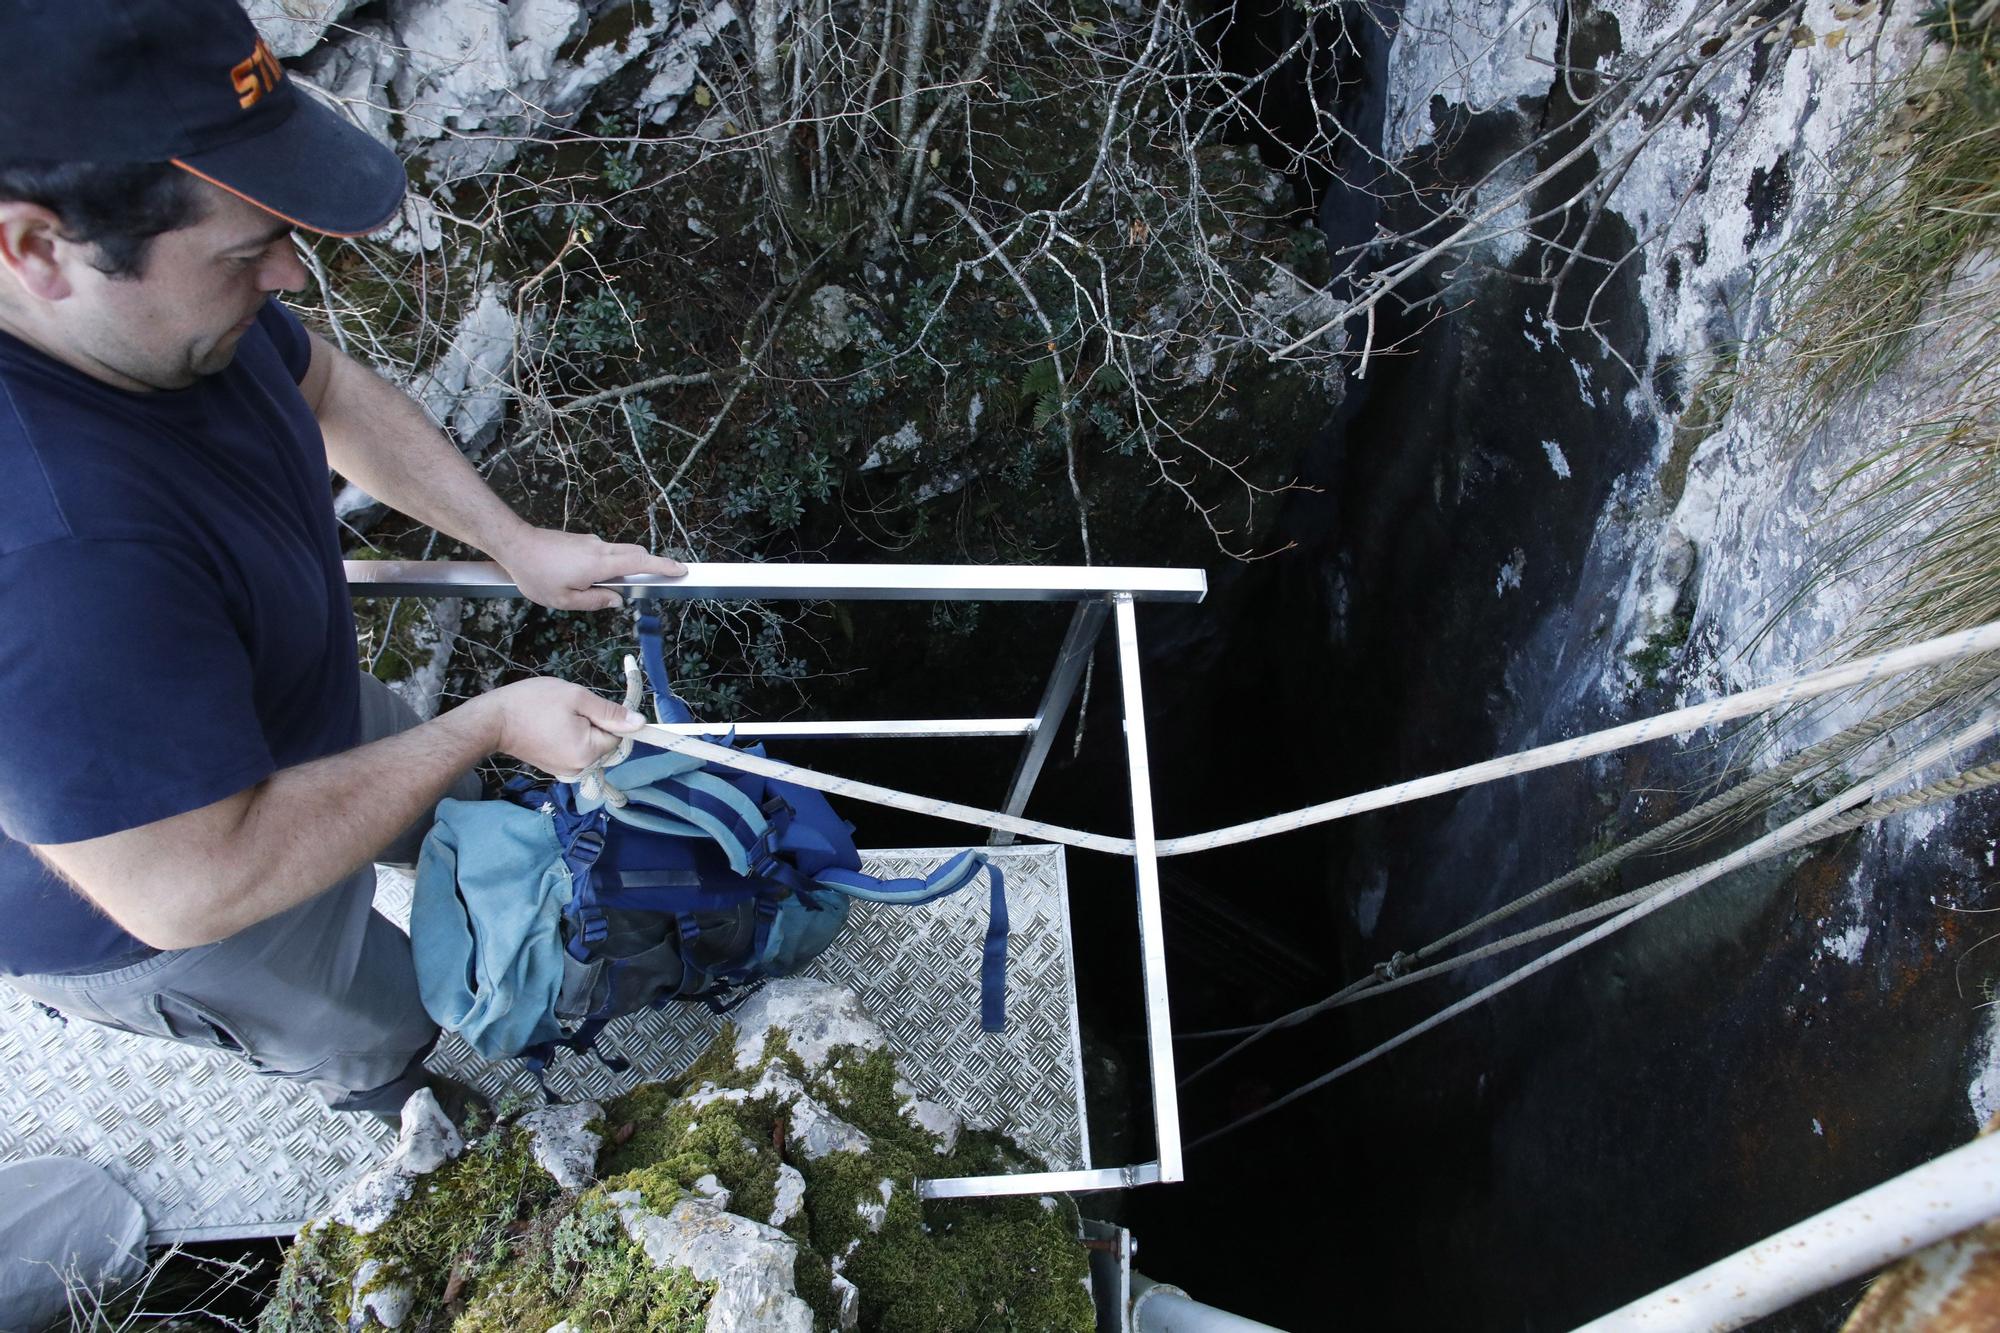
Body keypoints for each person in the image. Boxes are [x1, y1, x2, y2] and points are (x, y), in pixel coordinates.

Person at [0, 0, 685, 1119]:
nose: (290, 273)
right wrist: (484, 718)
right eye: (245, 247)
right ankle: (414, 1106)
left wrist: (510, 542)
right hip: (165, 890)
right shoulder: (49, 559)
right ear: (36, 248)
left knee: (454, 792)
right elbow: (189, 886)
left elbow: (318, 384)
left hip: (284, 705)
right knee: (375, 1014)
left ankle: (490, 870)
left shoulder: (140, 319)